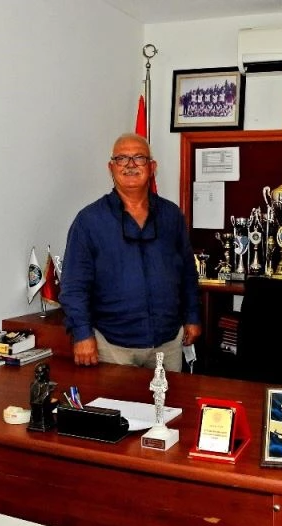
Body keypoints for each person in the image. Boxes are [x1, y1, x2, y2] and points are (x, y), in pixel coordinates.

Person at [60, 133, 202, 372]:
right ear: (111, 167)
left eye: (139, 158)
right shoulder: (89, 221)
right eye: (122, 158)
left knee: (170, 398)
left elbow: (188, 273)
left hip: (168, 343)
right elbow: (74, 286)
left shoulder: (171, 216)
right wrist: (82, 334)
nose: (130, 165)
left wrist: (192, 316)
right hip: (112, 346)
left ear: (152, 167)